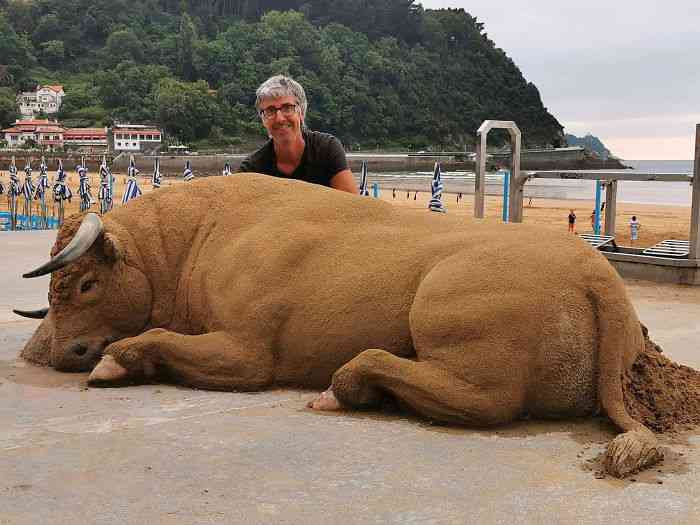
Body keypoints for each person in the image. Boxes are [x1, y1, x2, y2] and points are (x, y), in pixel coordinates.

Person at [238, 75, 357, 194]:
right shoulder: (252, 170)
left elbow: (352, 204)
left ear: (301, 112)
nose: (279, 118)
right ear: (263, 119)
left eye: (287, 108)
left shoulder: (327, 149)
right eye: (270, 111)